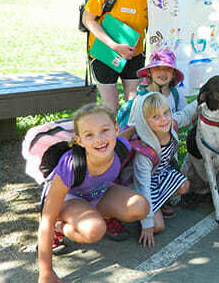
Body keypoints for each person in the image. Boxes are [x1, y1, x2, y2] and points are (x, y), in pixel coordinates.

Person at [38, 104, 149, 283]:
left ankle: (97, 215)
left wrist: (139, 126)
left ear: (116, 129)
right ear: (79, 140)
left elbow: (127, 134)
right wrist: (46, 272)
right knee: (94, 230)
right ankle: (60, 229)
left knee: (140, 207)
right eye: (89, 135)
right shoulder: (71, 164)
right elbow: (47, 218)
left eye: (105, 130)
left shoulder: (121, 146)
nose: (99, 139)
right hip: (70, 199)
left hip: (98, 192)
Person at [83, 0, 159, 113]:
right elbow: (88, 20)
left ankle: (126, 140)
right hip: (105, 52)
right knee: (110, 108)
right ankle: (110, 140)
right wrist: (115, 46)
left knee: (133, 108)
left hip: (134, 54)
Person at [126, 92, 190, 248]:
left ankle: (158, 204)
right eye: (155, 117)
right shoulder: (144, 152)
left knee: (184, 186)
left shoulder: (171, 126)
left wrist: (203, 102)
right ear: (144, 122)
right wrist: (147, 225)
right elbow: (143, 187)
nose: (164, 119)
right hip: (141, 185)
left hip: (160, 175)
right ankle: (133, 215)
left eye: (166, 113)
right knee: (157, 227)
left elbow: (186, 114)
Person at [116, 49, 188, 131]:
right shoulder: (141, 98)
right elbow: (133, 127)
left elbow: (185, 117)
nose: (162, 72)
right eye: (157, 68)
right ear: (149, 72)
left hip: (170, 141)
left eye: (168, 68)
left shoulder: (176, 95)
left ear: (173, 74)